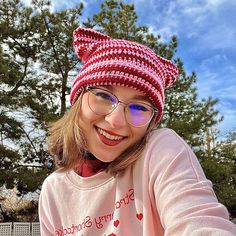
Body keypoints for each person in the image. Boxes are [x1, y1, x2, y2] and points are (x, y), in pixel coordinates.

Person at [39, 27, 236, 236]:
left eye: (139, 108)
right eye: (103, 96)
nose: (115, 121)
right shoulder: (53, 191)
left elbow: (199, 222)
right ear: (78, 100)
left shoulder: (160, 151)